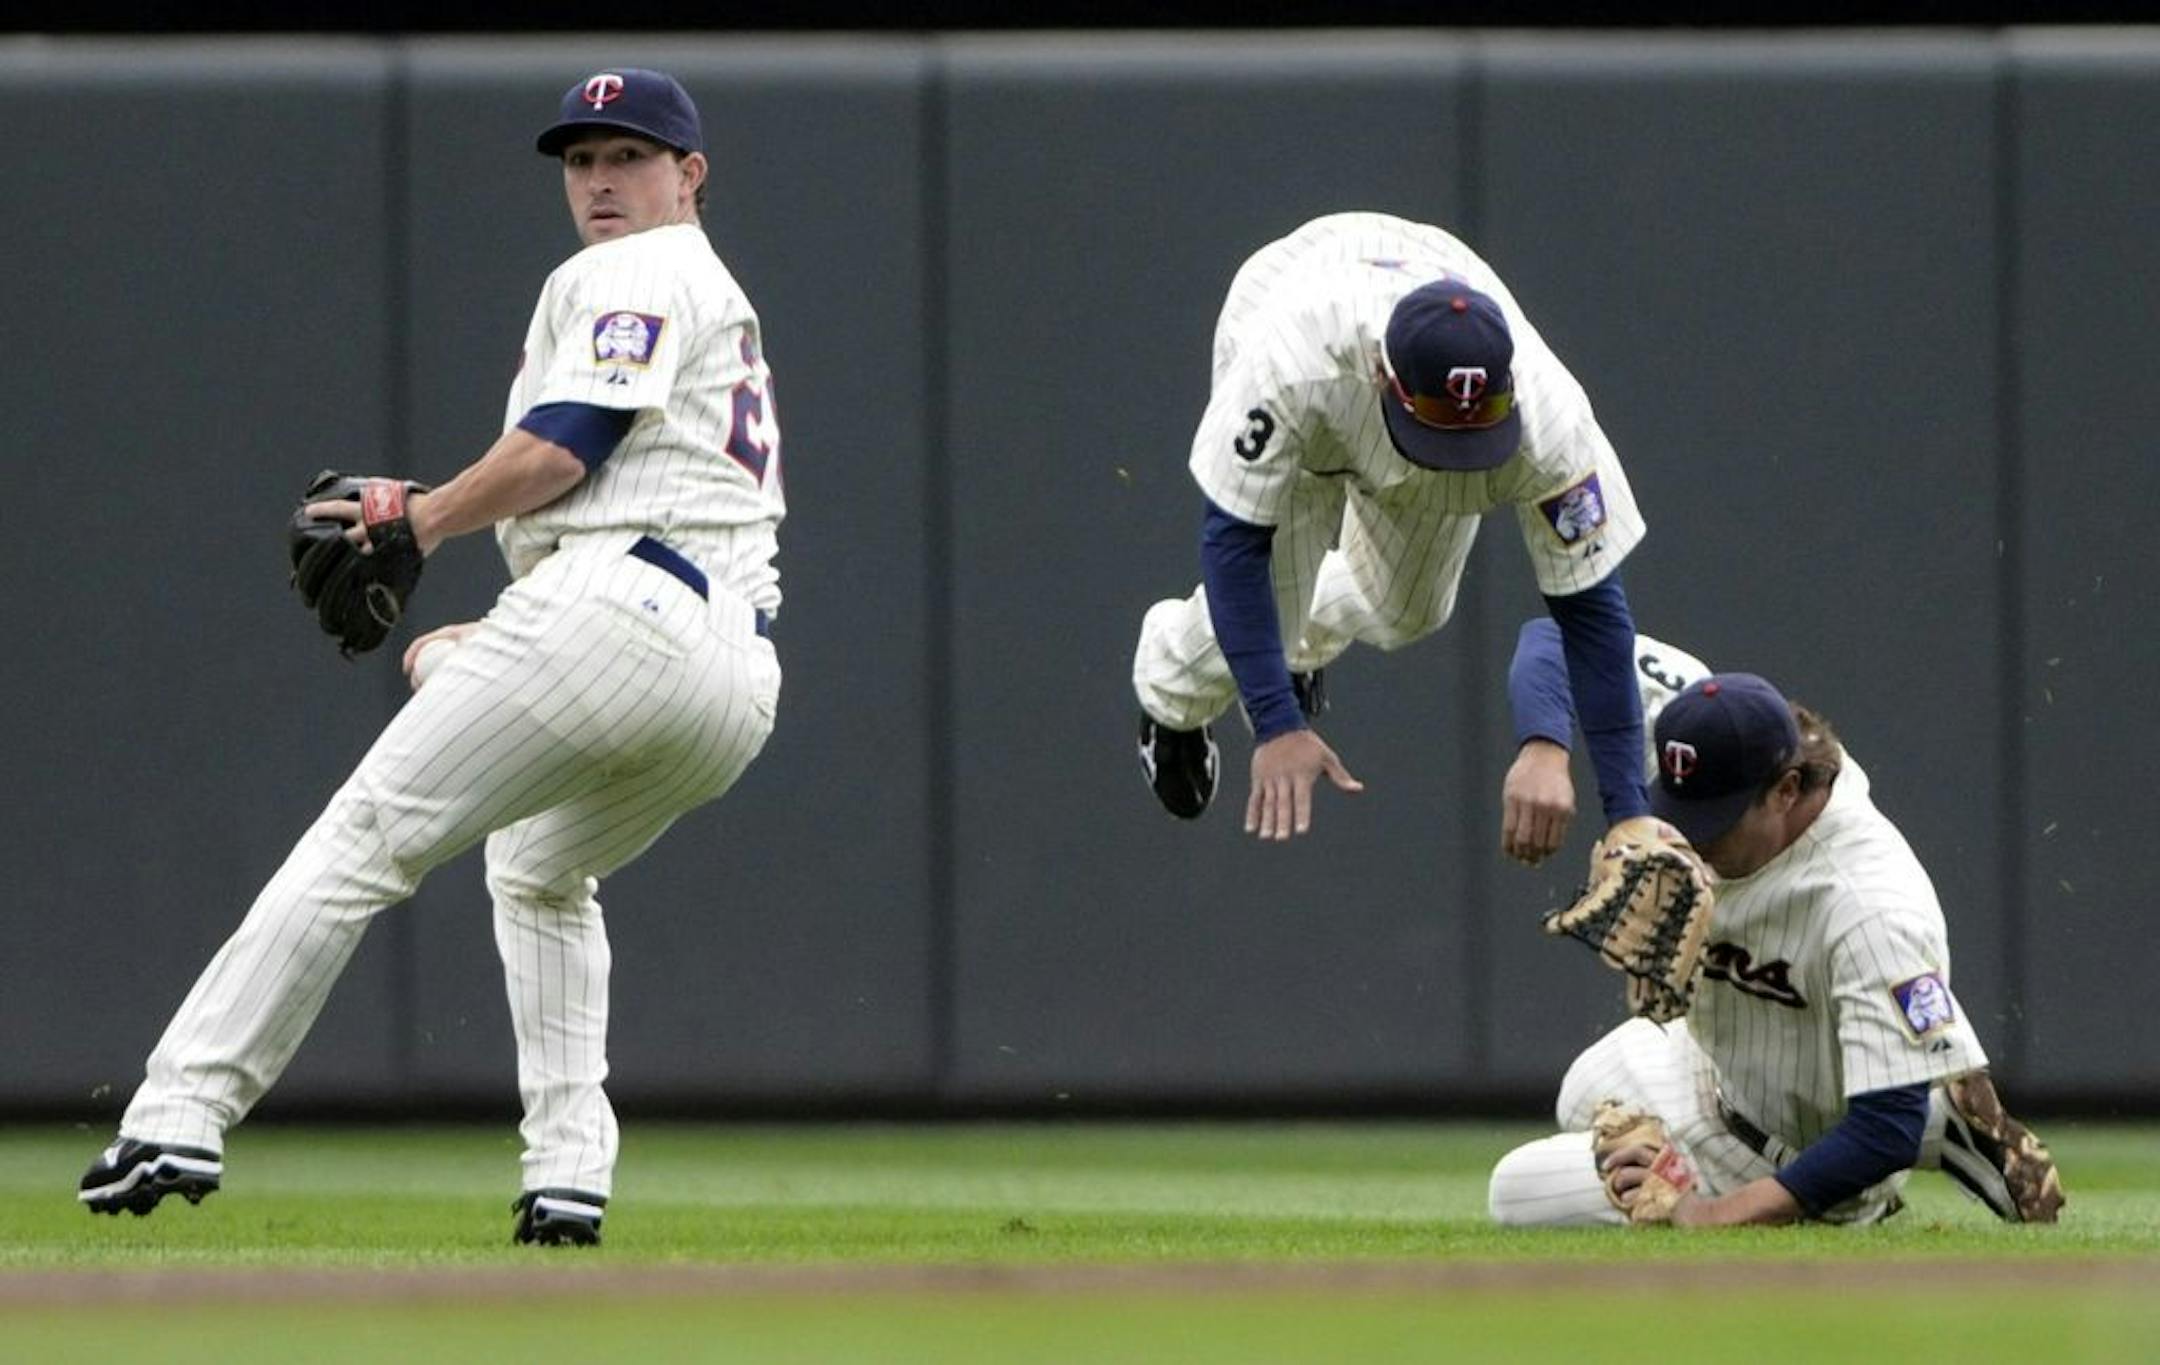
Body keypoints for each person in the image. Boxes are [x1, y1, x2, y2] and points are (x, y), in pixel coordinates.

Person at [77, 68, 785, 1247]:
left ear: (690, 176)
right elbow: (636, 509)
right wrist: (488, 626)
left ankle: (178, 1112)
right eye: (581, 161)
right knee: (539, 869)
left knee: (364, 839)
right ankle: (569, 1175)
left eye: (629, 158)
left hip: (621, 611)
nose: (601, 182)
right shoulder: (717, 294)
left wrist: (423, 518)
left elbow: (567, 445)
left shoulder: (633, 269)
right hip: (726, 673)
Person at [1130, 212, 1650, 843]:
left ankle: (1294, 644)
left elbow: (1591, 611)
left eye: (1476, 428)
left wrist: (1628, 811)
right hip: (1301, 324)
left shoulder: (1553, 423)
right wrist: (1277, 723)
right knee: (1261, 617)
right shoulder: (1288, 363)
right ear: (1382, 372)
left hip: (1425, 292)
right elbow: (1233, 539)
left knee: (1409, 612)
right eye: (1441, 428)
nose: (1456, 447)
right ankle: (1169, 696)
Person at [1486, 659, 2065, 1227]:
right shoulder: (1713, 730)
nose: (1693, 837)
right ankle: (1941, 1116)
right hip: (1716, 1071)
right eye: (1682, 810)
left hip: (1792, 1152)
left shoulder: (1871, 904)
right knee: (1583, 1088)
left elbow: (1885, 1131)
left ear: (1787, 790)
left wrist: (1713, 1214)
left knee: (1513, 1189)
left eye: (1716, 821)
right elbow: (1555, 644)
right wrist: (1544, 748)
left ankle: (1915, 1121)